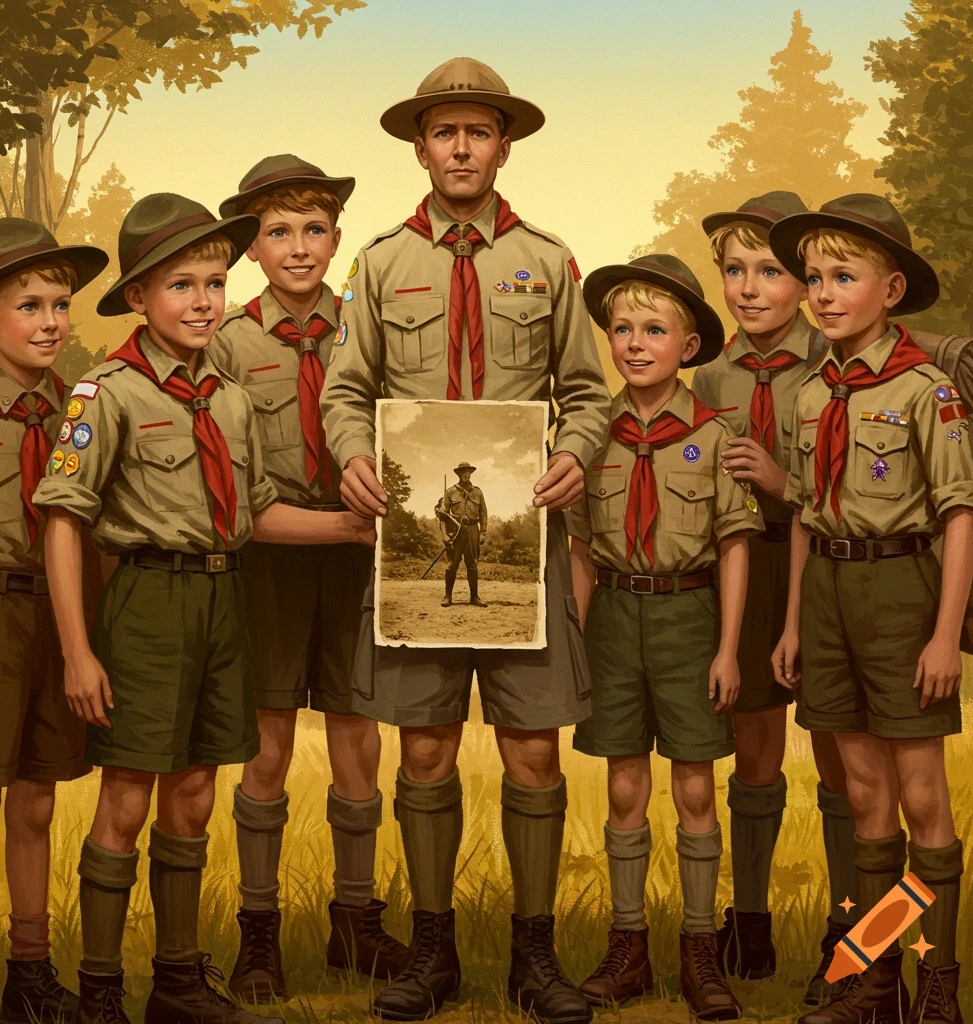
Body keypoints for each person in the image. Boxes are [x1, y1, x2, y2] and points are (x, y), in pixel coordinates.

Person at [32, 193, 374, 1024]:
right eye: (181, 286)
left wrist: (356, 527)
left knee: (193, 795)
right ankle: (103, 991)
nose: (203, 302)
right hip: (148, 601)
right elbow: (63, 520)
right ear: (141, 298)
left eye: (215, 284)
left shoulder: (227, 394)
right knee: (127, 798)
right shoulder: (103, 393)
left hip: (225, 598)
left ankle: (178, 980)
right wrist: (79, 652)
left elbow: (254, 509)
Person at [321, 56, 611, 1024]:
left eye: (476, 131)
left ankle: (534, 959)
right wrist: (354, 458)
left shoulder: (547, 257)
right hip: (412, 542)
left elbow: (587, 390)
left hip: (525, 543)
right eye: (443, 131)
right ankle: (433, 952)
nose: (459, 147)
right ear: (419, 145)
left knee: (533, 751)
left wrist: (574, 450)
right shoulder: (379, 265)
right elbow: (345, 391)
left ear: (503, 144)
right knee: (427, 750)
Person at [769, 193, 973, 1024]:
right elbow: (803, 519)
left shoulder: (928, 392)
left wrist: (944, 635)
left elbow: (962, 515)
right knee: (862, 796)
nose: (822, 293)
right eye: (813, 277)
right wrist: (790, 623)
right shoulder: (808, 393)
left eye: (842, 276)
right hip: (826, 593)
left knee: (922, 795)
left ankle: (937, 983)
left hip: (901, 596)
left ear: (890, 290)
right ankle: (873, 980)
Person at [209, 155, 406, 998]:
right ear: (252, 247)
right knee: (269, 743)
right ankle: (260, 933)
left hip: (364, 566)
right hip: (275, 562)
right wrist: (339, 526)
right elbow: (231, 489)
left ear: (337, 239)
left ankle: (354, 924)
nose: (298, 247)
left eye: (315, 230)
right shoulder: (225, 340)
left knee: (359, 737)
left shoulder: (372, 326)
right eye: (278, 232)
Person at [568, 254, 761, 1022]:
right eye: (622, 329)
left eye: (655, 329)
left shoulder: (717, 435)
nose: (636, 343)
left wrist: (727, 648)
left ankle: (700, 949)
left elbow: (737, 544)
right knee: (622, 786)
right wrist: (576, 642)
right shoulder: (589, 437)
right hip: (615, 617)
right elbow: (581, 548)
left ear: (689, 345)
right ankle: (627, 946)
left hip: (688, 620)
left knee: (692, 787)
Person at [693, 192, 856, 1001]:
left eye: (770, 271)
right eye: (734, 270)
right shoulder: (707, 376)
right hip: (743, 577)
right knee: (754, 751)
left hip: (822, 572)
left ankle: (846, 924)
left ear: (804, 284)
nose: (750, 288)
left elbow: (855, 490)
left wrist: (784, 483)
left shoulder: (833, 364)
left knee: (837, 752)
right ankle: (749, 923)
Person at [0, 218, 107, 1024]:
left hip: (59, 617)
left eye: (61, 304)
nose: (50, 322)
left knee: (38, 802)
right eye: (29, 306)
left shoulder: (82, 415)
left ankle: (31, 970)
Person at [435, 461, 488, 607]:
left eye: (468, 472)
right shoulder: (451, 492)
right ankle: (447, 597)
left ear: (471, 474)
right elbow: (443, 516)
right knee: (452, 565)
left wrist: (483, 532)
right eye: (462, 472)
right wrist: (445, 535)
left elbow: (483, 514)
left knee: (473, 565)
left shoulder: (477, 492)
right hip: (456, 531)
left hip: (473, 530)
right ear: (458, 474)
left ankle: (474, 597)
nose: (465, 474)